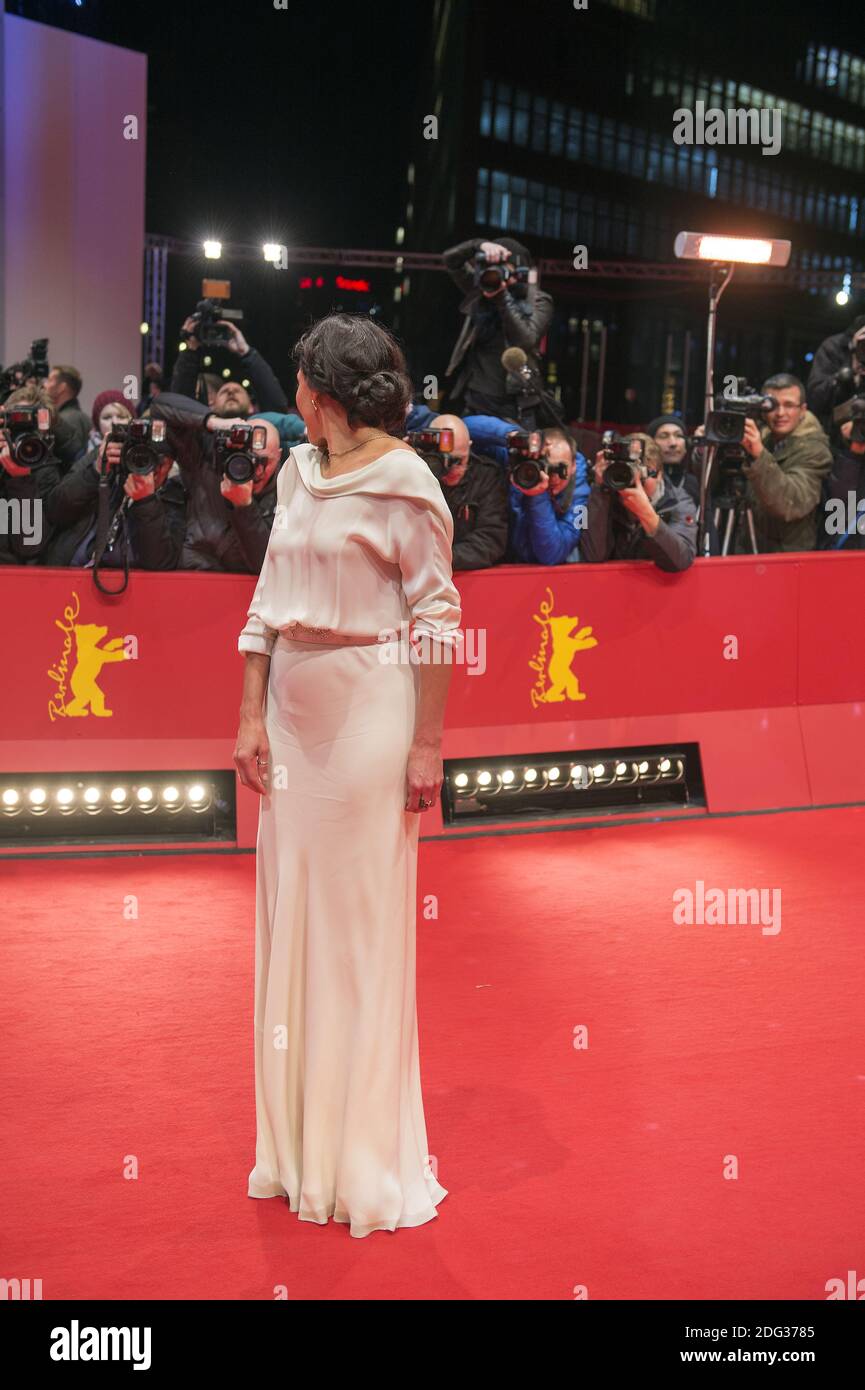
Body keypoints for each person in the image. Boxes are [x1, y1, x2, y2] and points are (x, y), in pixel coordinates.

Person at [234, 312, 462, 1237]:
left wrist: (427, 743)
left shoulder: (408, 481)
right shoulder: (295, 469)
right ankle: (295, 1155)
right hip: (288, 717)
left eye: (298, 383)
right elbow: (265, 600)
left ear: (319, 396)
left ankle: (360, 1158)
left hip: (372, 711)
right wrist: (248, 714)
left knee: (356, 934)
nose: (292, 396)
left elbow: (438, 615)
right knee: (293, 927)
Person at [441, 236, 554, 424]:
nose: (495, 275)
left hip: (517, 406)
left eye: (503, 269)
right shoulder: (481, 290)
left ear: (519, 272)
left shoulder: (539, 300)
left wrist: (502, 298)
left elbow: (525, 340)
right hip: (476, 401)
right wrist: (479, 245)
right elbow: (450, 260)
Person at [737, 373, 832, 553]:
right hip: (749, 550)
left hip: (788, 558)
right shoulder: (760, 439)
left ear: (803, 410)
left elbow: (791, 504)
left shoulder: (815, 450)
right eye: (772, 405)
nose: (780, 413)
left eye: (789, 405)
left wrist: (758, 455)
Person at [582, 432, 697, 571]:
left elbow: (682, 559)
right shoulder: (606, 496)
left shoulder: (679, 502)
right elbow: (593, 555)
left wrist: (646, 514)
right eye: (627, 473)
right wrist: (600, 490)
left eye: (643, 475)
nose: (635, 483)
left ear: (659, 474)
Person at [425, 413, 509, 570]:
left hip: (463, 572)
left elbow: (491, 539)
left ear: (469, 446)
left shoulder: (486, 475)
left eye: (460, 460)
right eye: (446, 460)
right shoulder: (416, 473)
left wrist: (441, 559)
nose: (453, 469)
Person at [45, 364, 91, 468]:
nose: (45, 385)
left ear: (62, 388)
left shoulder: (63, 421)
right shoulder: (83, 417)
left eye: (49, 380)